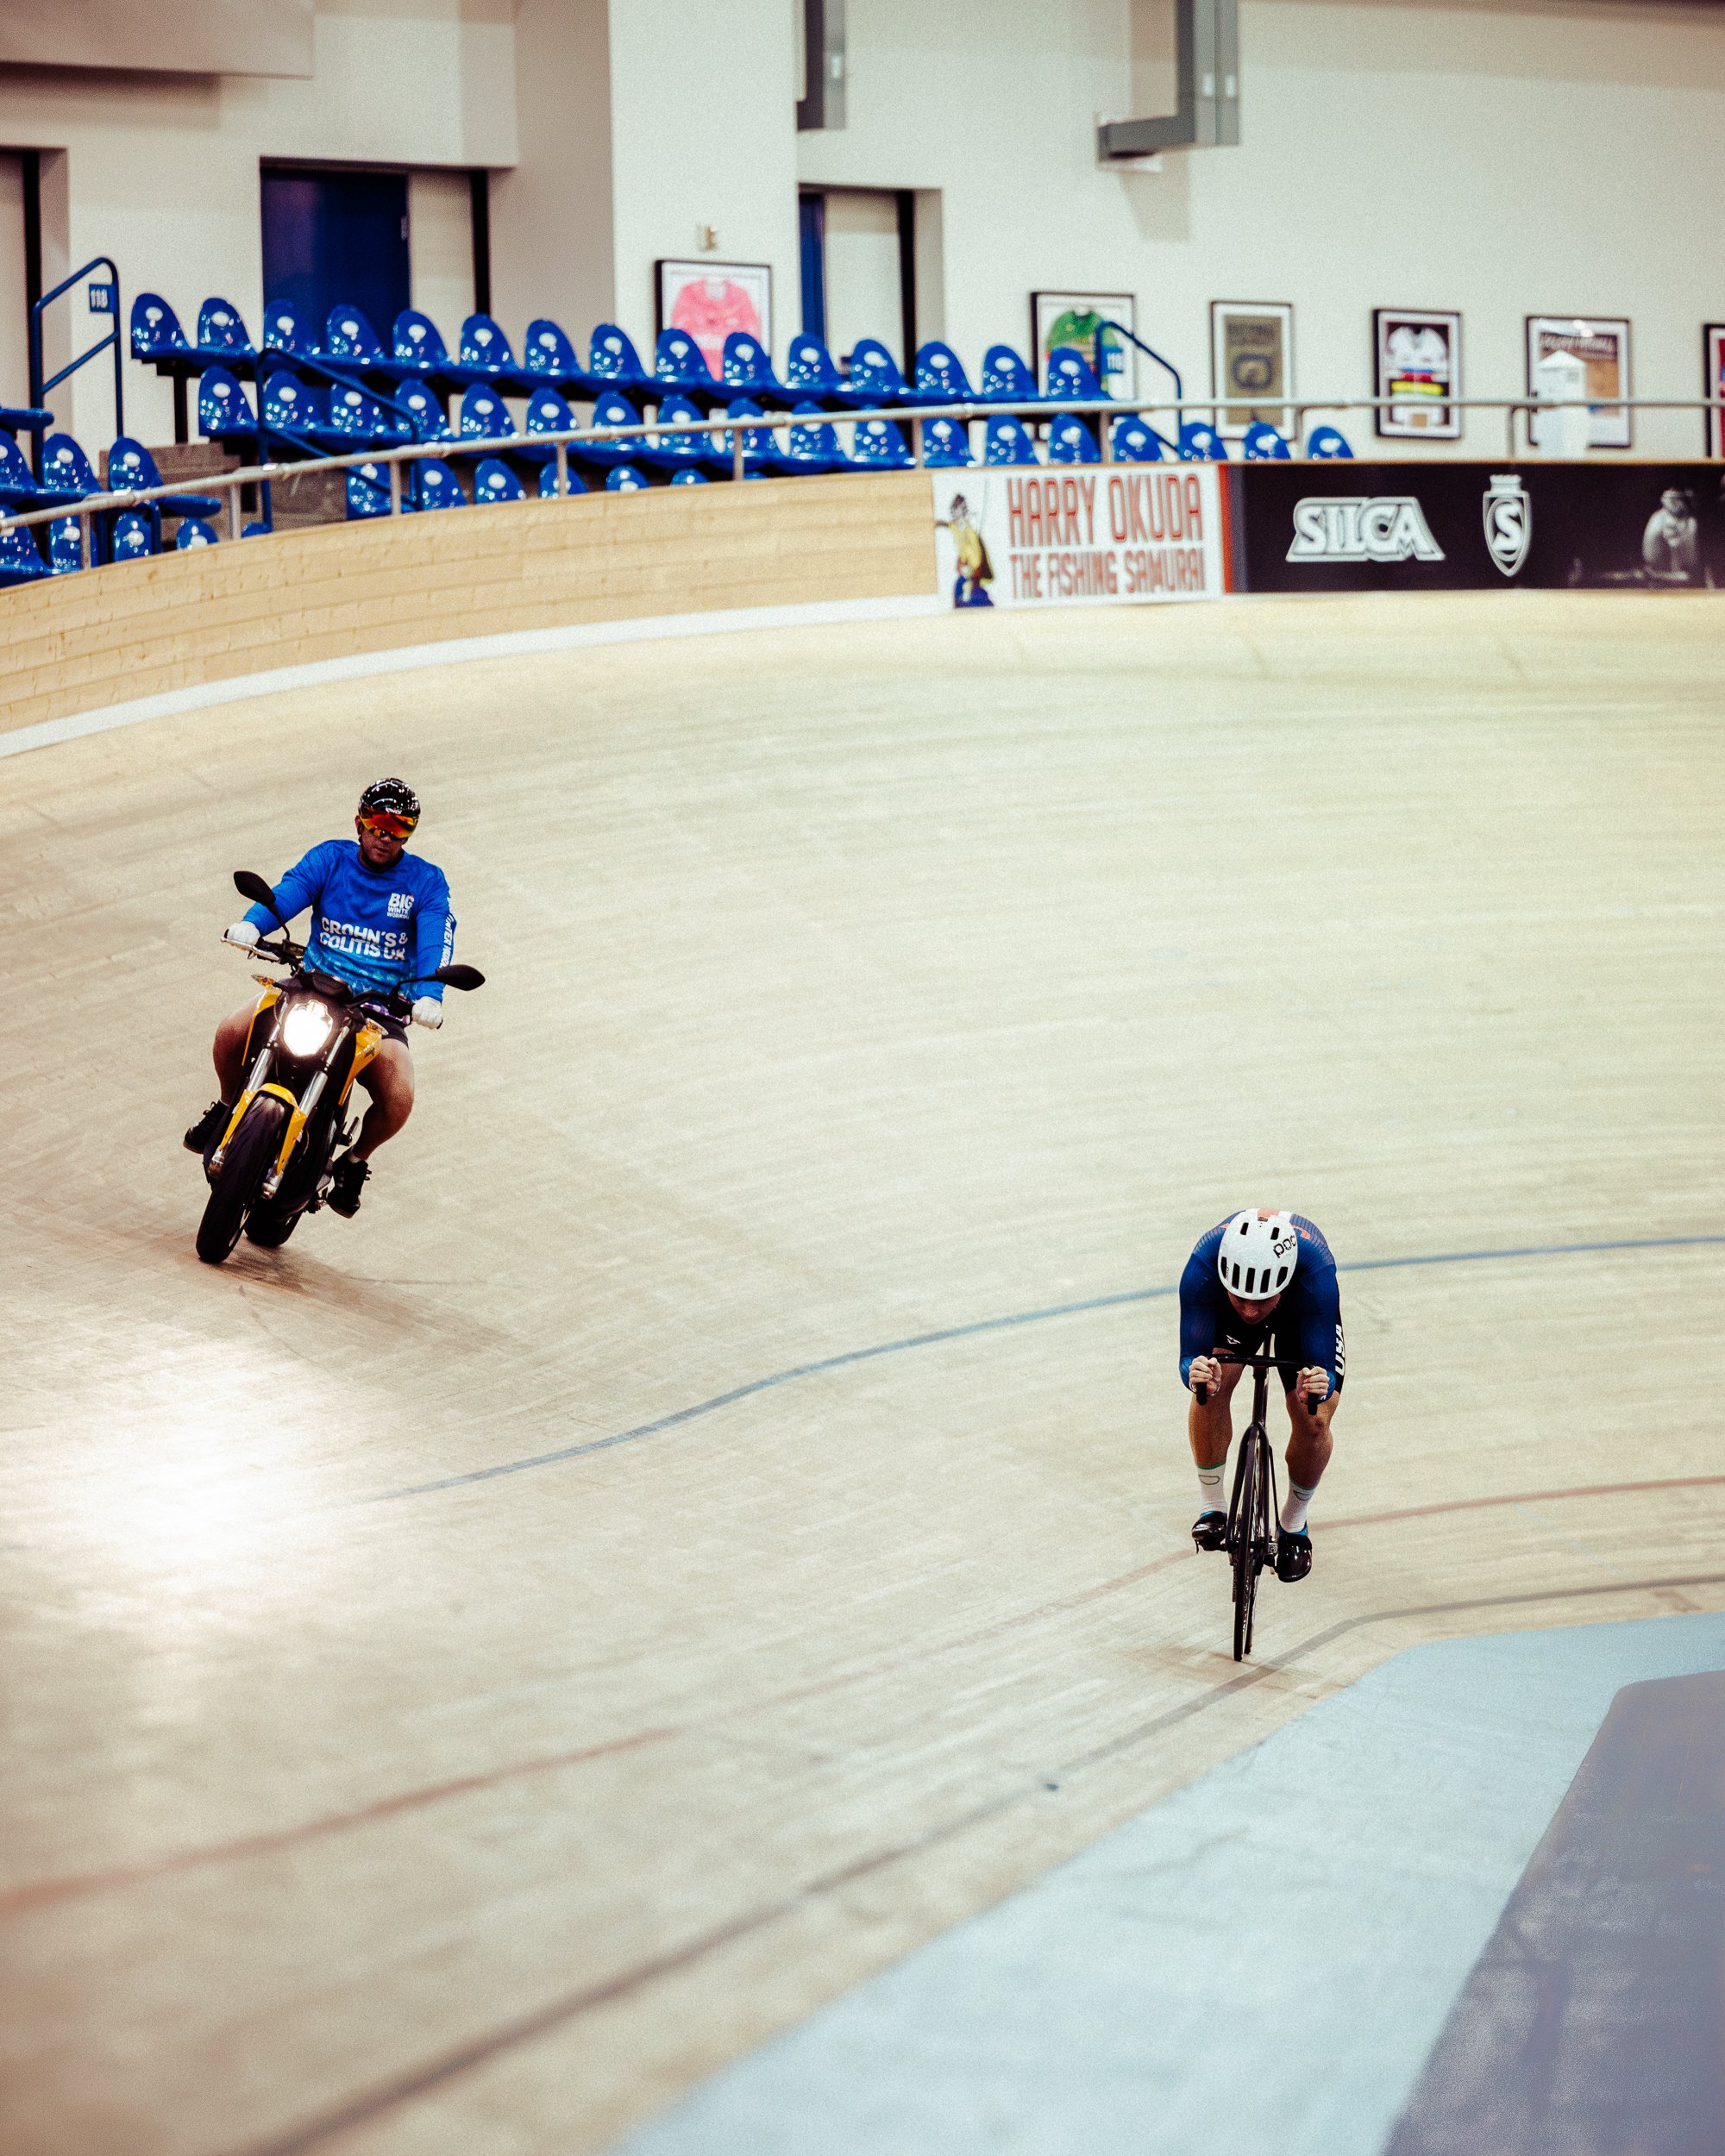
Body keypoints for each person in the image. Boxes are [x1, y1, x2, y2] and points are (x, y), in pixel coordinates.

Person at [183, 778, 455, 1218]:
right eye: (378, 824)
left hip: (377, 1011)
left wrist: (430, 996)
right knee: (231, 1032)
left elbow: (435, 940)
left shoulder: (426, 883)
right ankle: (228, 1105)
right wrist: (254, 925)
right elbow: (290, 890)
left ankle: (354, 1161)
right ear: (359, 823)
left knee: (399, 1093)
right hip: (309, 987)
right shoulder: (330, 858)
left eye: (400, 828)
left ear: (410, 834)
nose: (386, 836)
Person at [1178, 1209, 1345, 1583]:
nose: (1252, 1310)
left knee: (1314, 1417)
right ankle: (1212, 1508)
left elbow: (1325, 1375)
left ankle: (1294, 1523)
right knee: (1211, 1383)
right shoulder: (1202, 1267)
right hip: (1228, 1315)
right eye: (1242, 1298)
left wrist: (1319, 1384)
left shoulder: (1315, 1271)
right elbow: (1189, 1357)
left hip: (1299, 1314)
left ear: (1282, 1285)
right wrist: (1197, 1371)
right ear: (1225, 1281)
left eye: (1262, 1299)